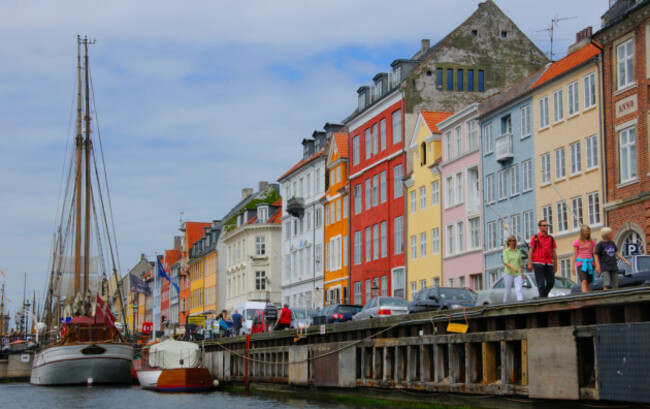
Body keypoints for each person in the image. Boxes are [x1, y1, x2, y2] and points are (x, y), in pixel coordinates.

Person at [527, 219, 557, 298]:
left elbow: (553, 251)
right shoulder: (535, 237)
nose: (546, 227)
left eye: (547, 225)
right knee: (541, 284)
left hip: (549, 262)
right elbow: (531, 250)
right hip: (538, 262)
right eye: (544, 225)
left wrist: (556, 264)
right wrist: (529, 263)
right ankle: (543, 297)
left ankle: (542, 296)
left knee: (551, 282)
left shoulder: (551, 238)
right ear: (540, 227)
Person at [572, 225, 597, 293]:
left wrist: (596, 264)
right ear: (582, 232)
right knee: (584, 282)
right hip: (581, 263)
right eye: (585, 231)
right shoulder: (577, 242)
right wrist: (573, 267)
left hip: (590, 263)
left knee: (588, 283)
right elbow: (574, 255)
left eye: (588, 231)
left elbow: (594, 254)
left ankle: (588, 296)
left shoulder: (592, 242)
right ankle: (584, 296)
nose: (586, 232)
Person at [502, 235, 524, 302]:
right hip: (509, 273)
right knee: (508, 291)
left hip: (518, 273)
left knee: (519, 289)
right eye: (510, 241)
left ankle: (520, 304)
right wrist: (513, 268)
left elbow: (520, 263)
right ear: (508, 242)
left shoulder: (518, 251)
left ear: (515, 242)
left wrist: (523, 274)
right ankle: (505, 305)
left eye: (513, 241)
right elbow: (506, 262)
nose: (512, 242)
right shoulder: (506, 251)